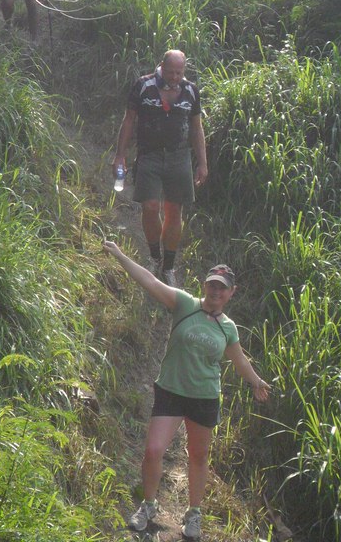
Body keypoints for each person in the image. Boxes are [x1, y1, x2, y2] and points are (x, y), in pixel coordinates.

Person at [103, 240, 271, 540]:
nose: (216, 291)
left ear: (231, 293)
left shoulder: (228, 328)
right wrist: (120, 256)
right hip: (171, 391)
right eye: (212, 285)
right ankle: (149, 505)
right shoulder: (184, 304)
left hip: (204, 398)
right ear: (205, 285)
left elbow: (240, 359)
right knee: (153, 450)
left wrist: (256, 381)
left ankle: (194, 514)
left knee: (198, 457)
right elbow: (150, 281)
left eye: (222, 288)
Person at [113, 49, 208, 287]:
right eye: (170, 72)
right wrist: (120, 155)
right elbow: (129, 120)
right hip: (149, 155)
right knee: (150, 207)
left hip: (179, 157)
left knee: (174, 211)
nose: (174, 77)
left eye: (179, 72)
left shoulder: (191, 91)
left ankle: (169, 266)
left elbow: (197, 128)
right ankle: (155, 257)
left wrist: (202, 163)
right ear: (161, 67)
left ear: (184, 71)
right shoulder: (143, 86)